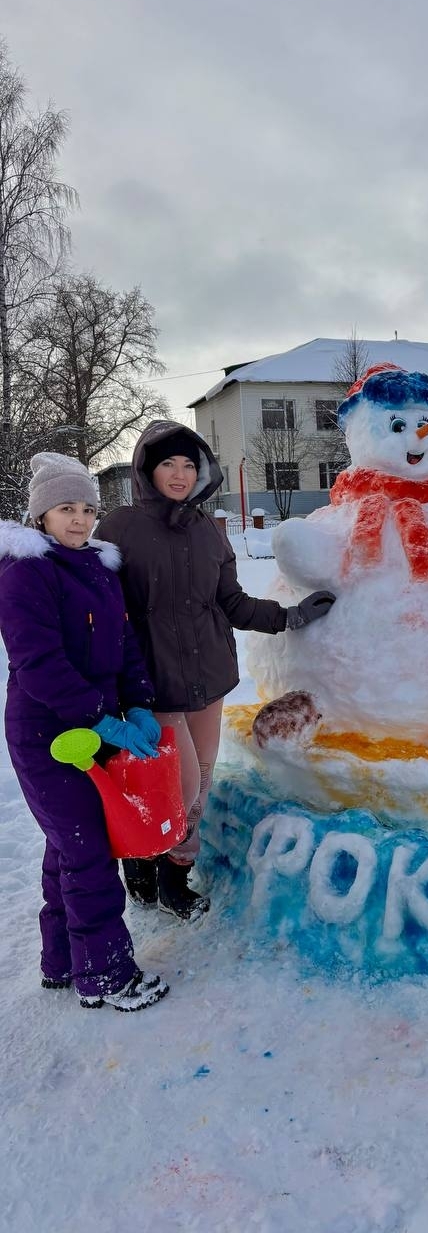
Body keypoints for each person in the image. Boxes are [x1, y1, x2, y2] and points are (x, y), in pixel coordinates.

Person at [96, 421, 334, 918]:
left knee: (201, 780)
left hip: (209, 674)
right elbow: (98, 606)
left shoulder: (208, 530)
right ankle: (142, 859)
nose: (179, 474)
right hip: (151, 681)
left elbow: (233, 602)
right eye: (168, 464)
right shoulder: (119, 528)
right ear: (147, 470)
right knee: (171, 784)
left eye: (189, 465)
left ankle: (173, 875)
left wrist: (291, 616)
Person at [0, 453, 169, 1011]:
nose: (79, 520)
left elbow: (125, 644)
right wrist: (100, 717)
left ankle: (63, 961)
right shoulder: (25, 572)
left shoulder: (99, 566)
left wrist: (138, 704)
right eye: (66, 508)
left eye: (88, 509)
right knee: (86, 849)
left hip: (100, 725)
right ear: (41, 515)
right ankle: (106, 974)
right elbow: (38, 663)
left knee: (69, 844)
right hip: (46, 731)